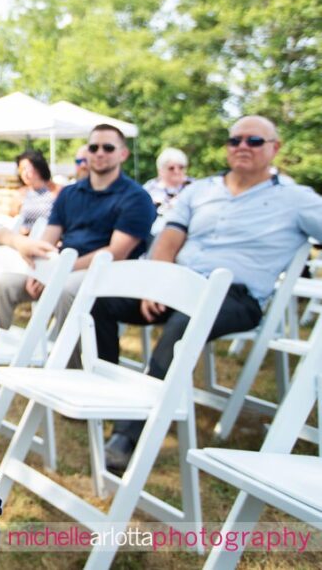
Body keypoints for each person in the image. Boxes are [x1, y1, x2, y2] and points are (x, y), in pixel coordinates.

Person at [94, 116, 322, 472]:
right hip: (177, 284)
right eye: (235, 140)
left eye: (254, 141)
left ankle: (128, 434)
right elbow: (170, 237)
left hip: (236, 298)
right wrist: (158, 281)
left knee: (186, 324)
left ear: (275, 148)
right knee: (100, 301)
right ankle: (105, 399)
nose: (243, 146)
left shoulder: (296, 199)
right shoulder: (200, 190)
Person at [0, 124, 156, 332]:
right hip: (62, 267)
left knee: (65, 290)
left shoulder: (136, 198)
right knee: (2, 284)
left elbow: (116, 253)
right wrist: (41, 270)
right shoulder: (69, 193)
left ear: (123, 154)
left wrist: (57, 272)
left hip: (106, 274)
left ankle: (66, 364)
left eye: (108, 148)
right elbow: (47, 240)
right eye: (94, 148)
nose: (100, 153)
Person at [10, 149, 59, 234]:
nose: (24, 173)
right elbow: (13, 218)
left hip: (48, 237)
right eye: (20, 170)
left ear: (38, 167)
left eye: (26, 168)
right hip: (25, 238)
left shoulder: (55, 190)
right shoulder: (20, 193)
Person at [142, 147, 192, 216]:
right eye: (171, 168)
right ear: (160, 170)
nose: (176, 171)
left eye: (181, 167)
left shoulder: (195, 186)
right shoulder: (149, 189)